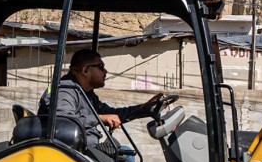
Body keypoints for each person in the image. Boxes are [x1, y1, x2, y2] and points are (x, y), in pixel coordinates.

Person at [39, 48, 167, 147]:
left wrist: (145, 107)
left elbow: (113, 114)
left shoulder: (86, 94)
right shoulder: (65, 90)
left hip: (84, 149)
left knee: (126, 154)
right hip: (71, 153)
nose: (106, 72)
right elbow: (63, 122)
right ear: (85, 70)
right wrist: (99, 119)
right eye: (101, 67)